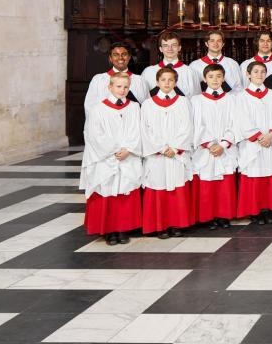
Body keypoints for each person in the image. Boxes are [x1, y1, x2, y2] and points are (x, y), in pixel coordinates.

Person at [81, 71, 143, 245]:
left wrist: (128, 149)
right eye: (118, 86)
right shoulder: (98, 109)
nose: (122, 90)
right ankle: (108, 231)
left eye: (126, 87)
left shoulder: (134, 107)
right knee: (107, 191)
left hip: (127, 156)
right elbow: (95, 135)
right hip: (106, 158)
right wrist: (115, 150)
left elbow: (137, 131)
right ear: (110, 87)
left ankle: (123, 229)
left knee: (125, 191)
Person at [140, 66, 194, 238]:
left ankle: (177, 223)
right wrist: (162, 148)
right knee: (158, 186)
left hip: (177, 153)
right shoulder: (148, 104)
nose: (167, 83)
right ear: (157, 82)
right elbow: (145, 130)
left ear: (175, 82)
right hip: (158, 154)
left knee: (177, 186)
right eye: (163, 80)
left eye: (171, 80)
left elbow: (188, 127)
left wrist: (176, 147)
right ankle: (160, 225)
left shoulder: (183, 101)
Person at [235, 61, 272, 224]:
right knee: (254, 176)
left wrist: (271, 134)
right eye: (256, 72)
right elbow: (241, 119)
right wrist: (258, 136)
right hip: (253, 143)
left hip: (270, 141)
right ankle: (255, 210)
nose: (259, 75)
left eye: (263, 72)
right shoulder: (241, 96)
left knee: (270, 176)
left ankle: (269, 208)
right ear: (248, 74)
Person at [189, 64, 238, 230]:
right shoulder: (197, 100)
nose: (215, 80)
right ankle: (207, 216)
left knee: (224, 184)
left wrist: (224, 144)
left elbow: (235, 123)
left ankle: (223, 215)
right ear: (204, 79)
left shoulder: (231, 99)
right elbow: (196, 125)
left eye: (218, 76)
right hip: (206, 149)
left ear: (223, 78)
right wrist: (210, 144)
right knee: (207, 183)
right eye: (211, 77)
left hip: (225, 148)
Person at [84, 44, 149, 119]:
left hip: (131, 126)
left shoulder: (140, 81)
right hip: (106, 125)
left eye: (124, 54)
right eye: (116, 55)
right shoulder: (98, 80)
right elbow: (90, 108)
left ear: (129, 57)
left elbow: (146, 108)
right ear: (110, 58)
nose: (120, 58)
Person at [141, 31, 198, 97]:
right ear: (160, 49)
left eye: (174, 45)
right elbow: (144, 98)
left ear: (179, 48)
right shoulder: (148, 72)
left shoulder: (190, 72)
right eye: (165, 45)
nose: (170, 49)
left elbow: (195, 100)